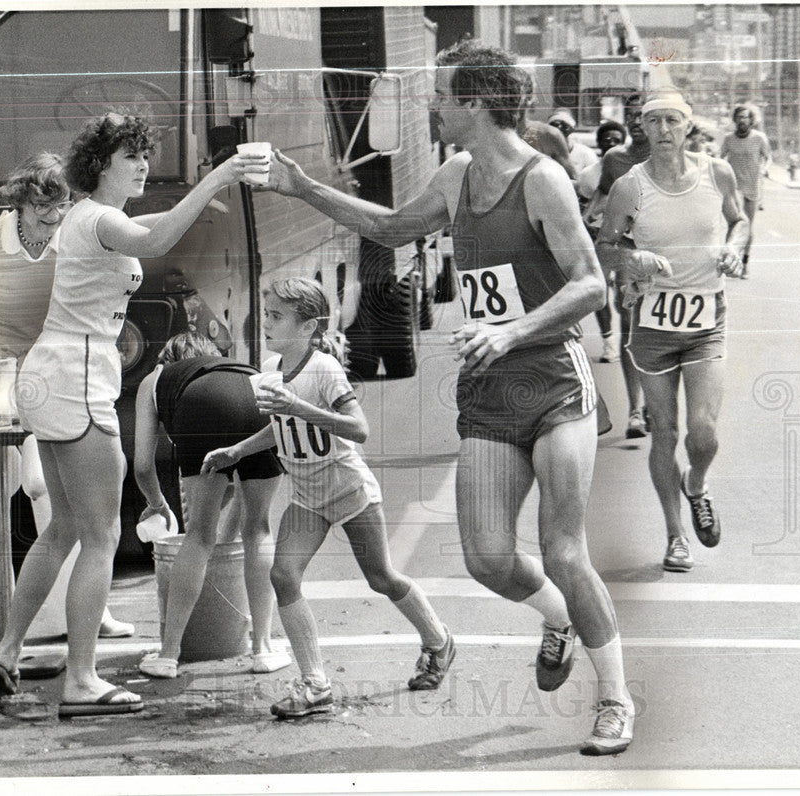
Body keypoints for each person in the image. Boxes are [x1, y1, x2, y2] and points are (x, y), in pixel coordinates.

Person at [245, 41, 635, 754]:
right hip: (488, 389)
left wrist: (512, 331)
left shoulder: (541, 180)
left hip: (550, 381)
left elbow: (589, 284)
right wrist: (306, 190)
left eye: (443, 96)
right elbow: (392, 227)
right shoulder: (457, 175)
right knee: (487, 558)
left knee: (563, 548)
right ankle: (557, 620)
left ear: (476, 103)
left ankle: (615, 699)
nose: (432, 106)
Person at [0, 112, 260, 717]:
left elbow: (148, 228)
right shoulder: (101, 219)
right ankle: (82, 681)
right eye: (131, 157)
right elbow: (152, 241)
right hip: (78, 380)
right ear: (101, 165)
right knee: (101, 535)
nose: (142, 165)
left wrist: (191, 206)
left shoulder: (87, 217)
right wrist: (218, 180)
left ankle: (7, 652)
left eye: (143, 156)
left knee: (60, 529)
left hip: (49, 376)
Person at [202, 278, 455, 719]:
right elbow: (282, 427)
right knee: (283, 575)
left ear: (308, 327)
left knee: (382, 577)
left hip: (348, 488)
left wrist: (301, 408)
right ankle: (316, 683)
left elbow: (358, 429)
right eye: (267, 314)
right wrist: (238, 450)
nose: (267, 322)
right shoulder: (271, 366)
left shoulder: (324, 370)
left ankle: (438, 640)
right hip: (307, 495)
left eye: (277, 316)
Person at [0, 154, 133, 650]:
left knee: (53, 493)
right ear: (20, 201)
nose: (53, 215)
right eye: (42, 205)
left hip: (55, 380)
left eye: (63, 203)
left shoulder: (78, 235)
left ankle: (89, 612)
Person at [596, 89, 748, 574]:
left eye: (673, 121)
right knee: (665, 431)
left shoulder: (716, 172)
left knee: (702, 433)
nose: (663, 130)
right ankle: (676, 534)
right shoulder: (629, 186)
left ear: (688, 127)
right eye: (654, 121)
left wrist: (734, 247)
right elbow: (603, 247)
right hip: (652, 321)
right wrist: (631, 256)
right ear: (642, 127)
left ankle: (697, 485)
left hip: (706, 316)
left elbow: (739, 220)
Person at [133, 332, 290, 678]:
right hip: (258, 397)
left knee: (199, 537)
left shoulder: (157, 377)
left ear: (167, 358)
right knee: (259, 529)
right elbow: (237, 487)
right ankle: (262, 649)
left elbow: (143, 465)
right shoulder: (237, 367)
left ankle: (168, 655)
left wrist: (158, 504)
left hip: (199, 405)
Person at [585, 95, 651, 439]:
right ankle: (636, 411)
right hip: (627, 249)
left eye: (644, 116)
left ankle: (654, 401)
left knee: (659, 333)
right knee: (629, 325)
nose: (637, 122)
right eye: (632, 116)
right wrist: (581, 220)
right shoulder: (615, 159)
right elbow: (603, 194)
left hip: (663, 252)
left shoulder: (666, 157)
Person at [576, 120, 627, 364]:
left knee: (624, 297)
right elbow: (583, 203)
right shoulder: (589, 175)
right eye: (606, 139)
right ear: (599, 143)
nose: (610, 143)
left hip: (629, 239)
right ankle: (609, 343)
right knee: (600, 291)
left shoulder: (634, 168)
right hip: (600, 239)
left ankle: (630, 340)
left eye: (616, 140)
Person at [720, 105, 772, 277]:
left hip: (752, 187)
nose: (742, 120)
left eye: (745, 117)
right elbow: (720, 158)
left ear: (751, 120)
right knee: (734, 224)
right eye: (739, 117)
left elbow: (768, 157)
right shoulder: (728, 139)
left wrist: (765, 168)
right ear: (734, 119)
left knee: (748, 226)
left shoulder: (759, 138)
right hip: (734, 187)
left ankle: (744, 263)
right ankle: (730, 260)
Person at [547, 110, 599, 178]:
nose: (559, 127)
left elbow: (593, 179)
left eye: (564, 124)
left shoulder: (586, 153)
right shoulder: (542, 152)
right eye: (555, 124)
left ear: (571, 129)